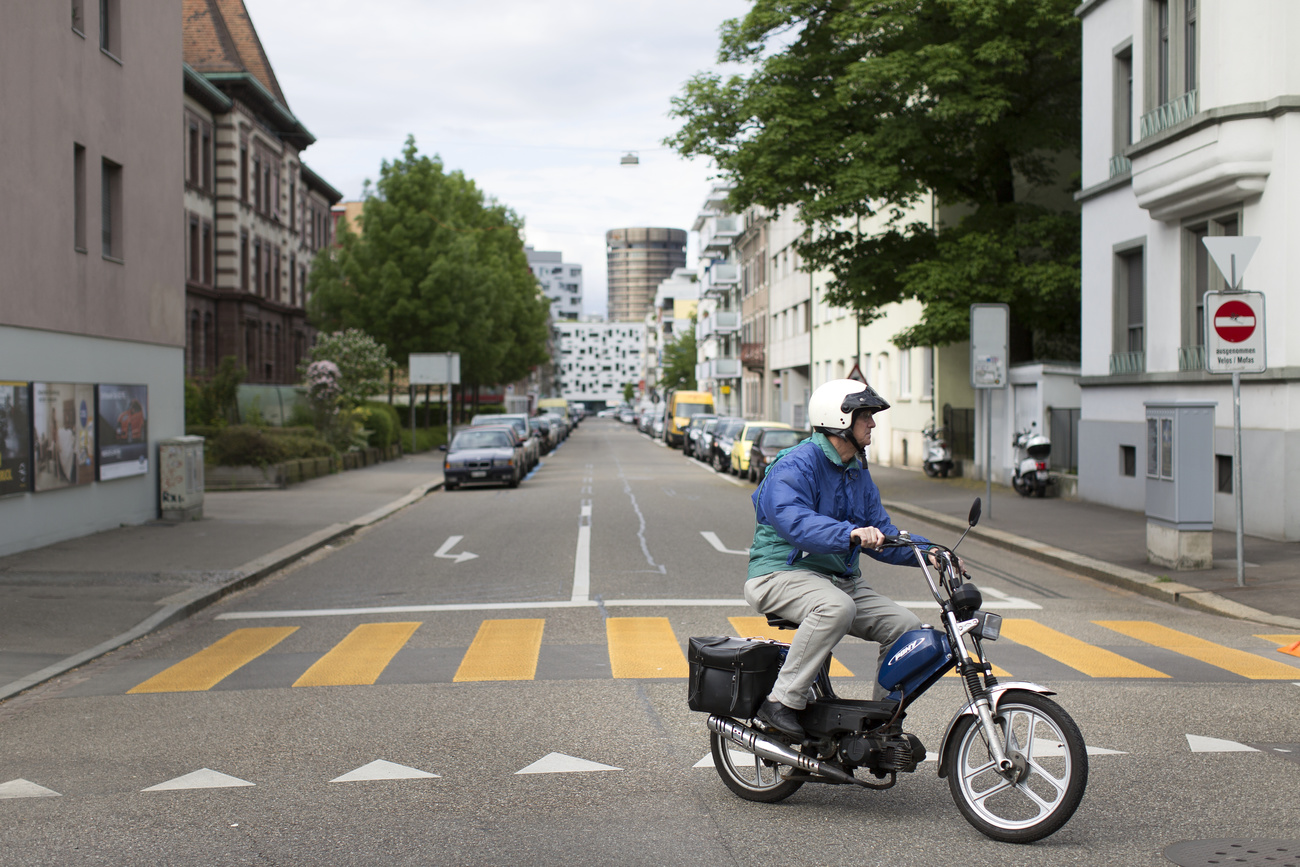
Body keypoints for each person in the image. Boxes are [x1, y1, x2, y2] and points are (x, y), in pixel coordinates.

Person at [745, 378, 932, 740]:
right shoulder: (797, 464)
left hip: (838, 581)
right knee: (836, 607)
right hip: (779, 573)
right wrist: (848, 533)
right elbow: (792, 520)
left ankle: (884, 723)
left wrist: (931, 554)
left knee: (907, 629)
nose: (873, 424)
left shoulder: (857, 471)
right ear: (840, 419)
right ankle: (781, 702)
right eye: (866, 416)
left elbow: (881, 530)